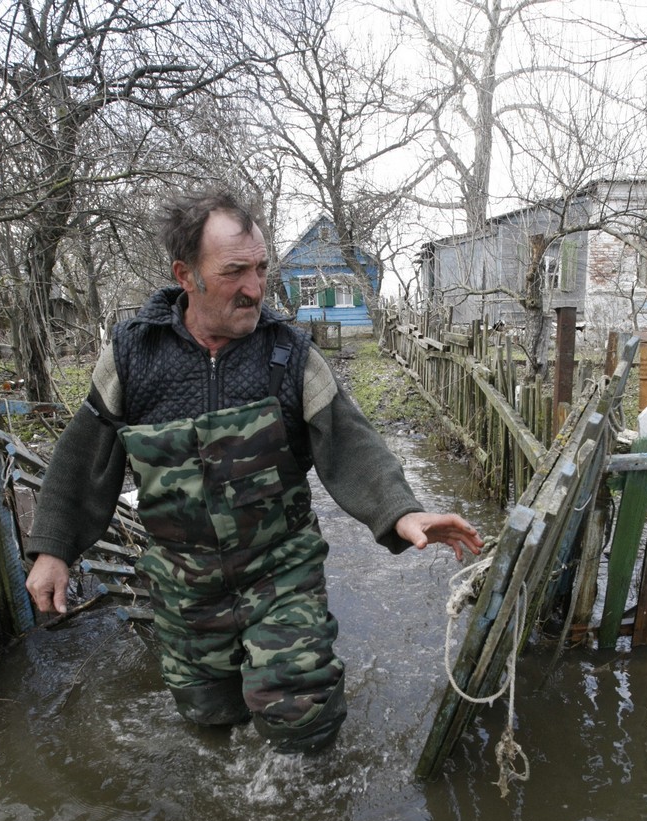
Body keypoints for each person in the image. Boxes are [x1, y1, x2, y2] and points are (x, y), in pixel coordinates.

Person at [26, 191, 483, 753]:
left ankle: (310, 813)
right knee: (209, 719)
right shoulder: (133, 356)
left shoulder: (288, 354)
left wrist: (403, 512)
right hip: (184, 584)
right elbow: (83, 458)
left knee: (300, 712)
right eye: (235, 271)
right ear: (185, 274)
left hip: (280, 573)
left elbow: (350, 442)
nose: (255, 287)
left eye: (262, 267)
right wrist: (54, 548)